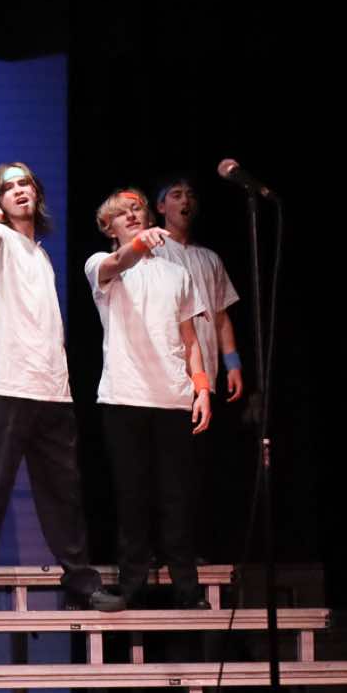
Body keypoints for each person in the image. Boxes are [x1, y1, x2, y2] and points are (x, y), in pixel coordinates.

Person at [0, 163, 121, 613]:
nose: (18, 191)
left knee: (64, 494)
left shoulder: (41, 255)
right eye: (7, 187)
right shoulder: (2, 240)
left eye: (24, 183)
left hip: (53, 389)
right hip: (8, 385)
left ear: (36, 191)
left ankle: (80, 582)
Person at [86, 189, 214, 608]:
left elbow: (189, 337)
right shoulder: (102, 266)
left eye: (136, 209)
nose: (131, 215)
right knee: (132, 497)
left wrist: (202, 388)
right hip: (125, 396)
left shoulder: (177, 274)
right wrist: (140, 244)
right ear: (109, 227)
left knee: (177, 498)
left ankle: (187, 590)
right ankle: (132, 587)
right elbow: (120, 261)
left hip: (173, 398)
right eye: (121, 213)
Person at [153, 178, 244, 403]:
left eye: (190, 195)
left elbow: (221, 318)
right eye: (177, 195)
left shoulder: (210, 259)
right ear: (161, 207)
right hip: (166, 378)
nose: (185, 200)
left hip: (204, 378)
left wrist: (233, 365)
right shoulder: (153, 253)